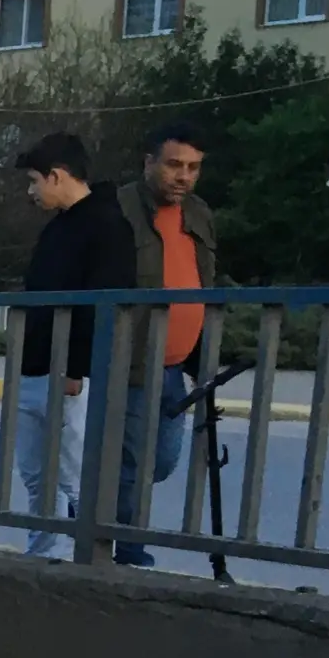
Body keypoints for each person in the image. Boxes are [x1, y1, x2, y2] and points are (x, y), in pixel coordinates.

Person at [13, 132, 137, 559]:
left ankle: (91, 555)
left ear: (56, 175)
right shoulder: (62, 227)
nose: (31, 192)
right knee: (35, 473)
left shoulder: (106, 226)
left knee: (72, 473)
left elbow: (103, 305)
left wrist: (77, 370)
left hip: (68, 374)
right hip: (37, 366)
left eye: (34, 181)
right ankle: (44, 550)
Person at [112, 123, 217, 564]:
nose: (184, 176)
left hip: (178, 365)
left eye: (193, 168)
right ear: (149, 162)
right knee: (133, 466)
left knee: (162, 463)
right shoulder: (119, 208)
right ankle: (129, 552)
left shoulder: (200, 214)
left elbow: (204, 282)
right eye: (174, 164)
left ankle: (89, 509)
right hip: (132, 363)